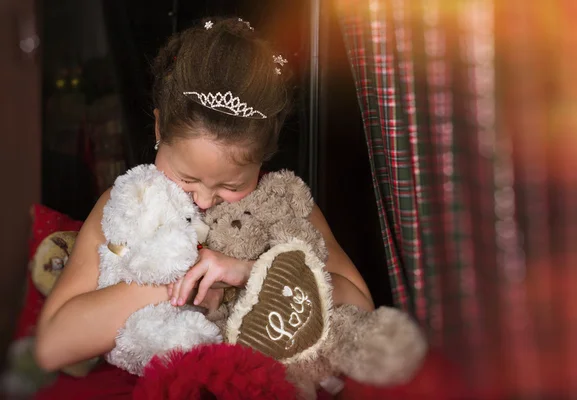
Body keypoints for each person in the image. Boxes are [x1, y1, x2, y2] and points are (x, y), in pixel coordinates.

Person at [34, 16, 374, 393]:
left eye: (232, 184)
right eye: (188, 178)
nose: (204, 198)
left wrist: (256, 272)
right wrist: (180, 282)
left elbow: (362, 306)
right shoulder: (132, 203)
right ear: (160, 129)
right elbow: (52, 346)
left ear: (263, 159)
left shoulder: (285, 205)